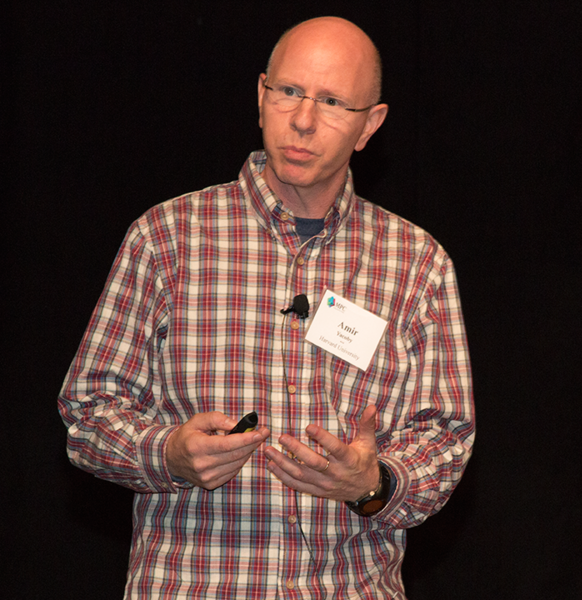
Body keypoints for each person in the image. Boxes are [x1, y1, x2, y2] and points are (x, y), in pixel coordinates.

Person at [58, 16, 474, 599]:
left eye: (332, 102)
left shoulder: (416, 264)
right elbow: (87, 415)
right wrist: (169, 453)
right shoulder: (167, 238)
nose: (302, 120)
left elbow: (445, 439)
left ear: (369, 125)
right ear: (260, 96)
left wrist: (373, 482)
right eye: (289, 92)